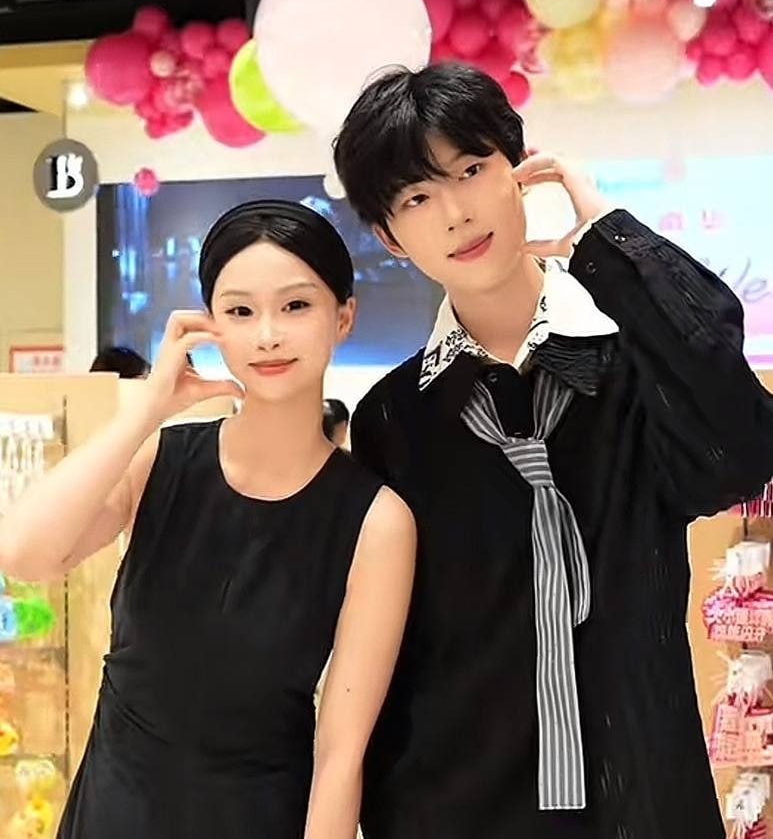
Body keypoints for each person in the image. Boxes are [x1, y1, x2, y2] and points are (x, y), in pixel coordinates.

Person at [333, 62, 773, 839]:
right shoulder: (392, 419)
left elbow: (740, 450)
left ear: (520, 167)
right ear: (388, 237)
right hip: (450, 807)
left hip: (639, 797)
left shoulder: (632, 368)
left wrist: (610, 243)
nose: (456, 212)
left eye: (472, 169)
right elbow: (386, 645)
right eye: (416, 197)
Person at [0, 200, 415, 839]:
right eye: (240, 311)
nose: (267, 335)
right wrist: (145, 411)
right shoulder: (160, 459)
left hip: (257, 815)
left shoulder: (376, 520)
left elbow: (340, 754)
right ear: (209, 324)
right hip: (112, 812)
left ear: (343, 316)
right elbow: (24, 554)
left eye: (296, 305)